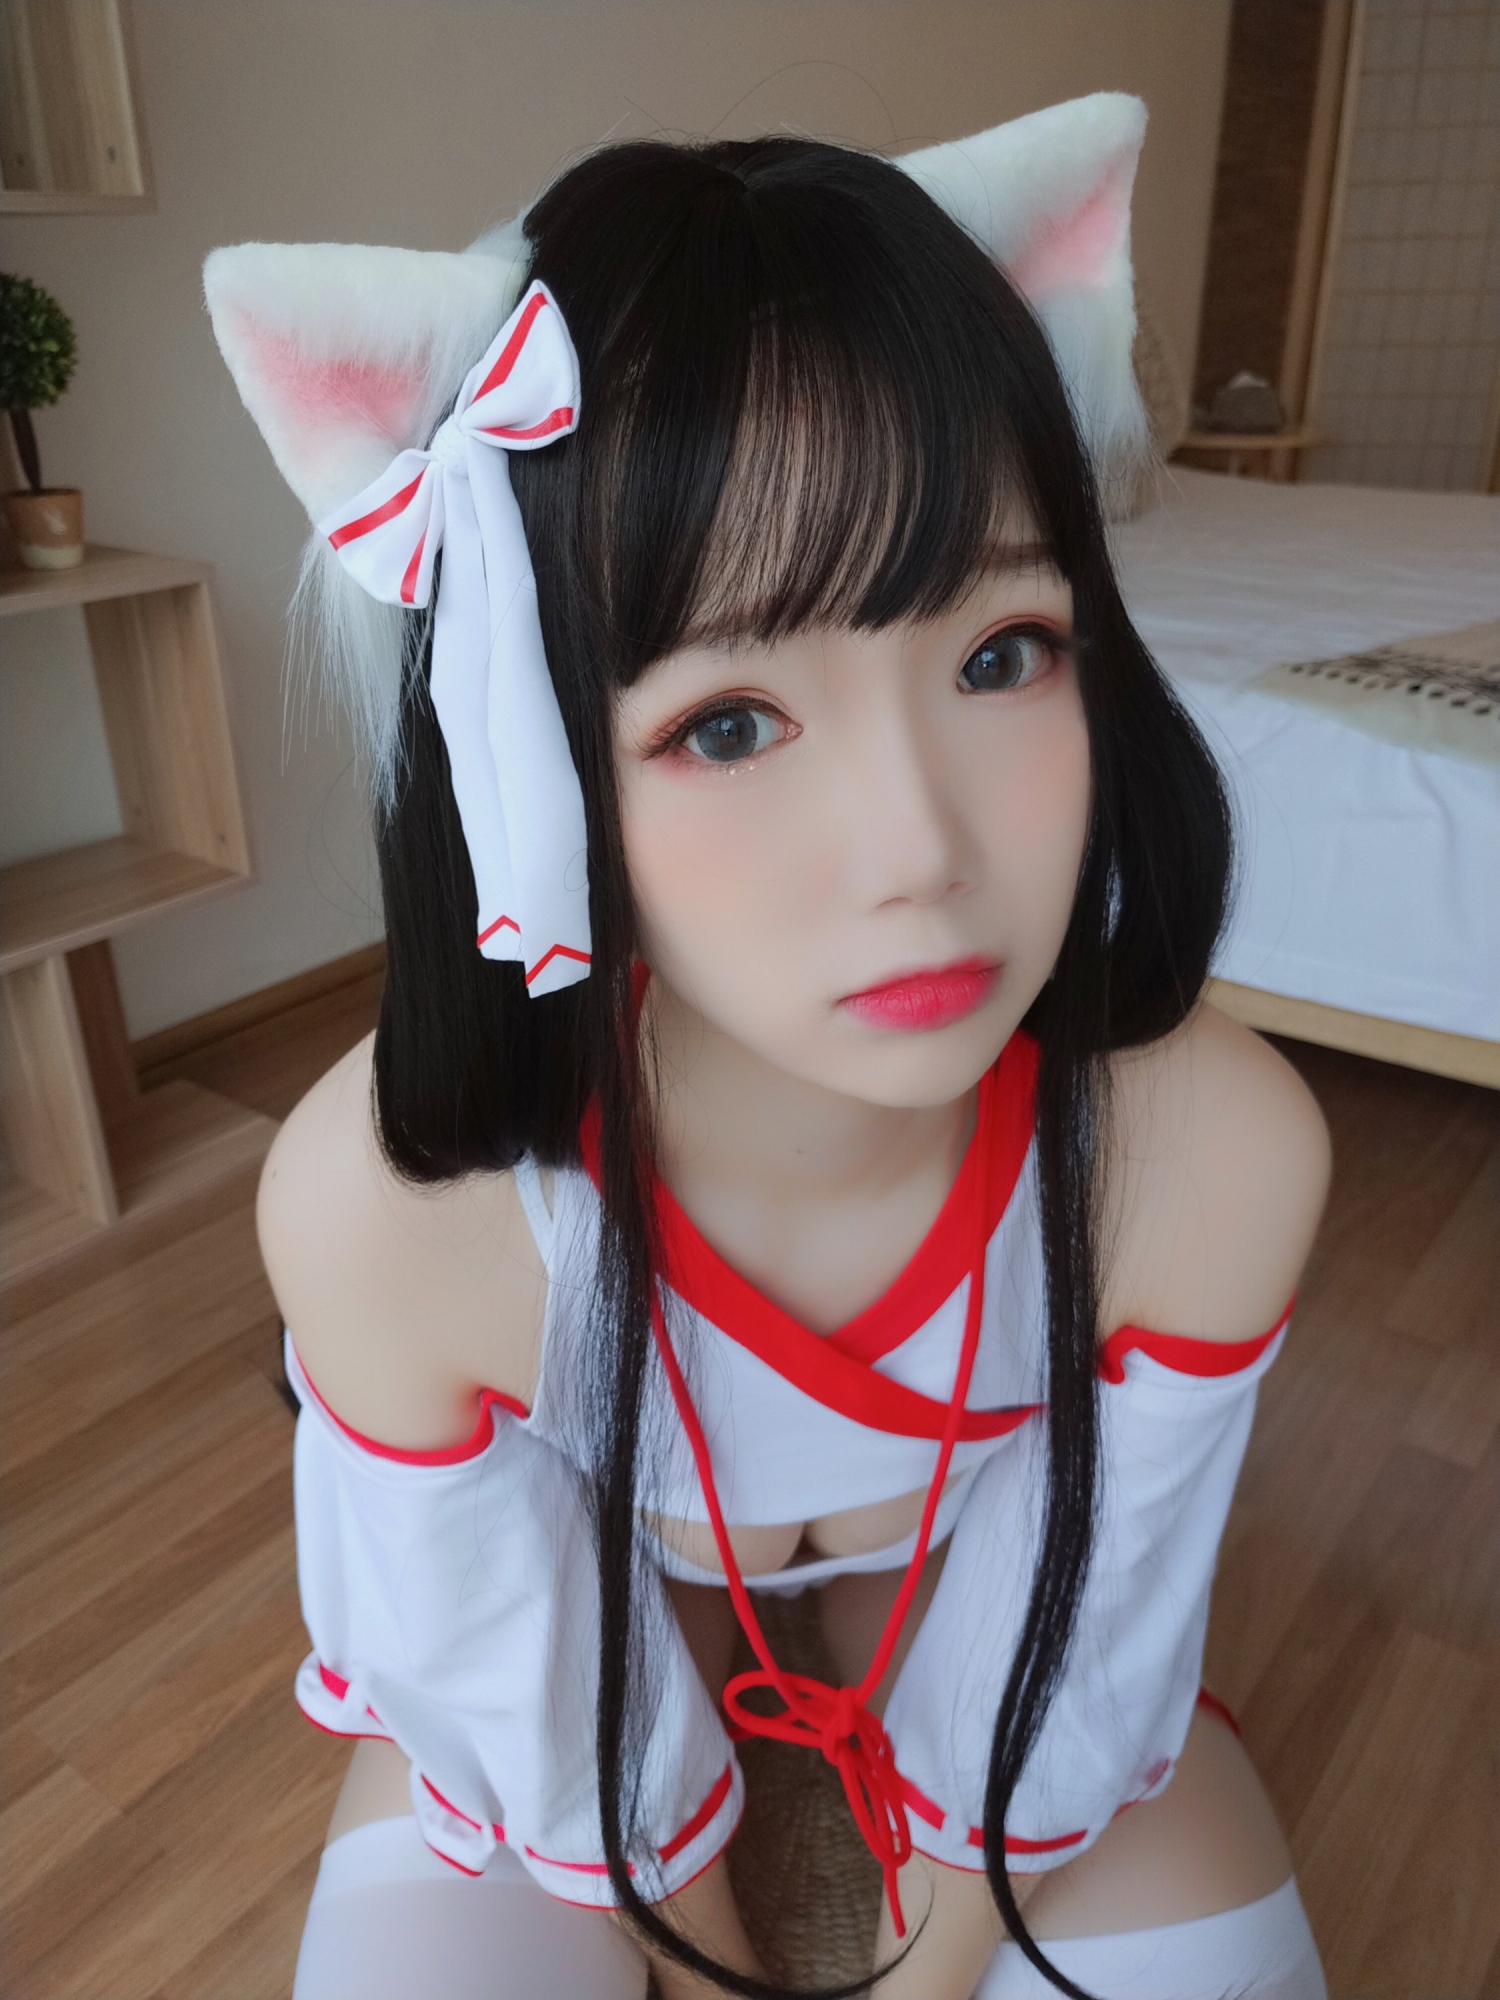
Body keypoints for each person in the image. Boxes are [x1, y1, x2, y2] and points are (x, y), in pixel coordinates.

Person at [207, 92, 1332, 2000]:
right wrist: (705, 1959)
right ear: (531, 754)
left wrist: (921, 1961)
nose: (922, 853)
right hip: (594, 1583)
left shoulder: (1214, 1156)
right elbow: (522, 1697)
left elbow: (1080, 1661)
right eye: (728, 722)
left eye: (1000, 654)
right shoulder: (390, 1213)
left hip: (961, 1567)